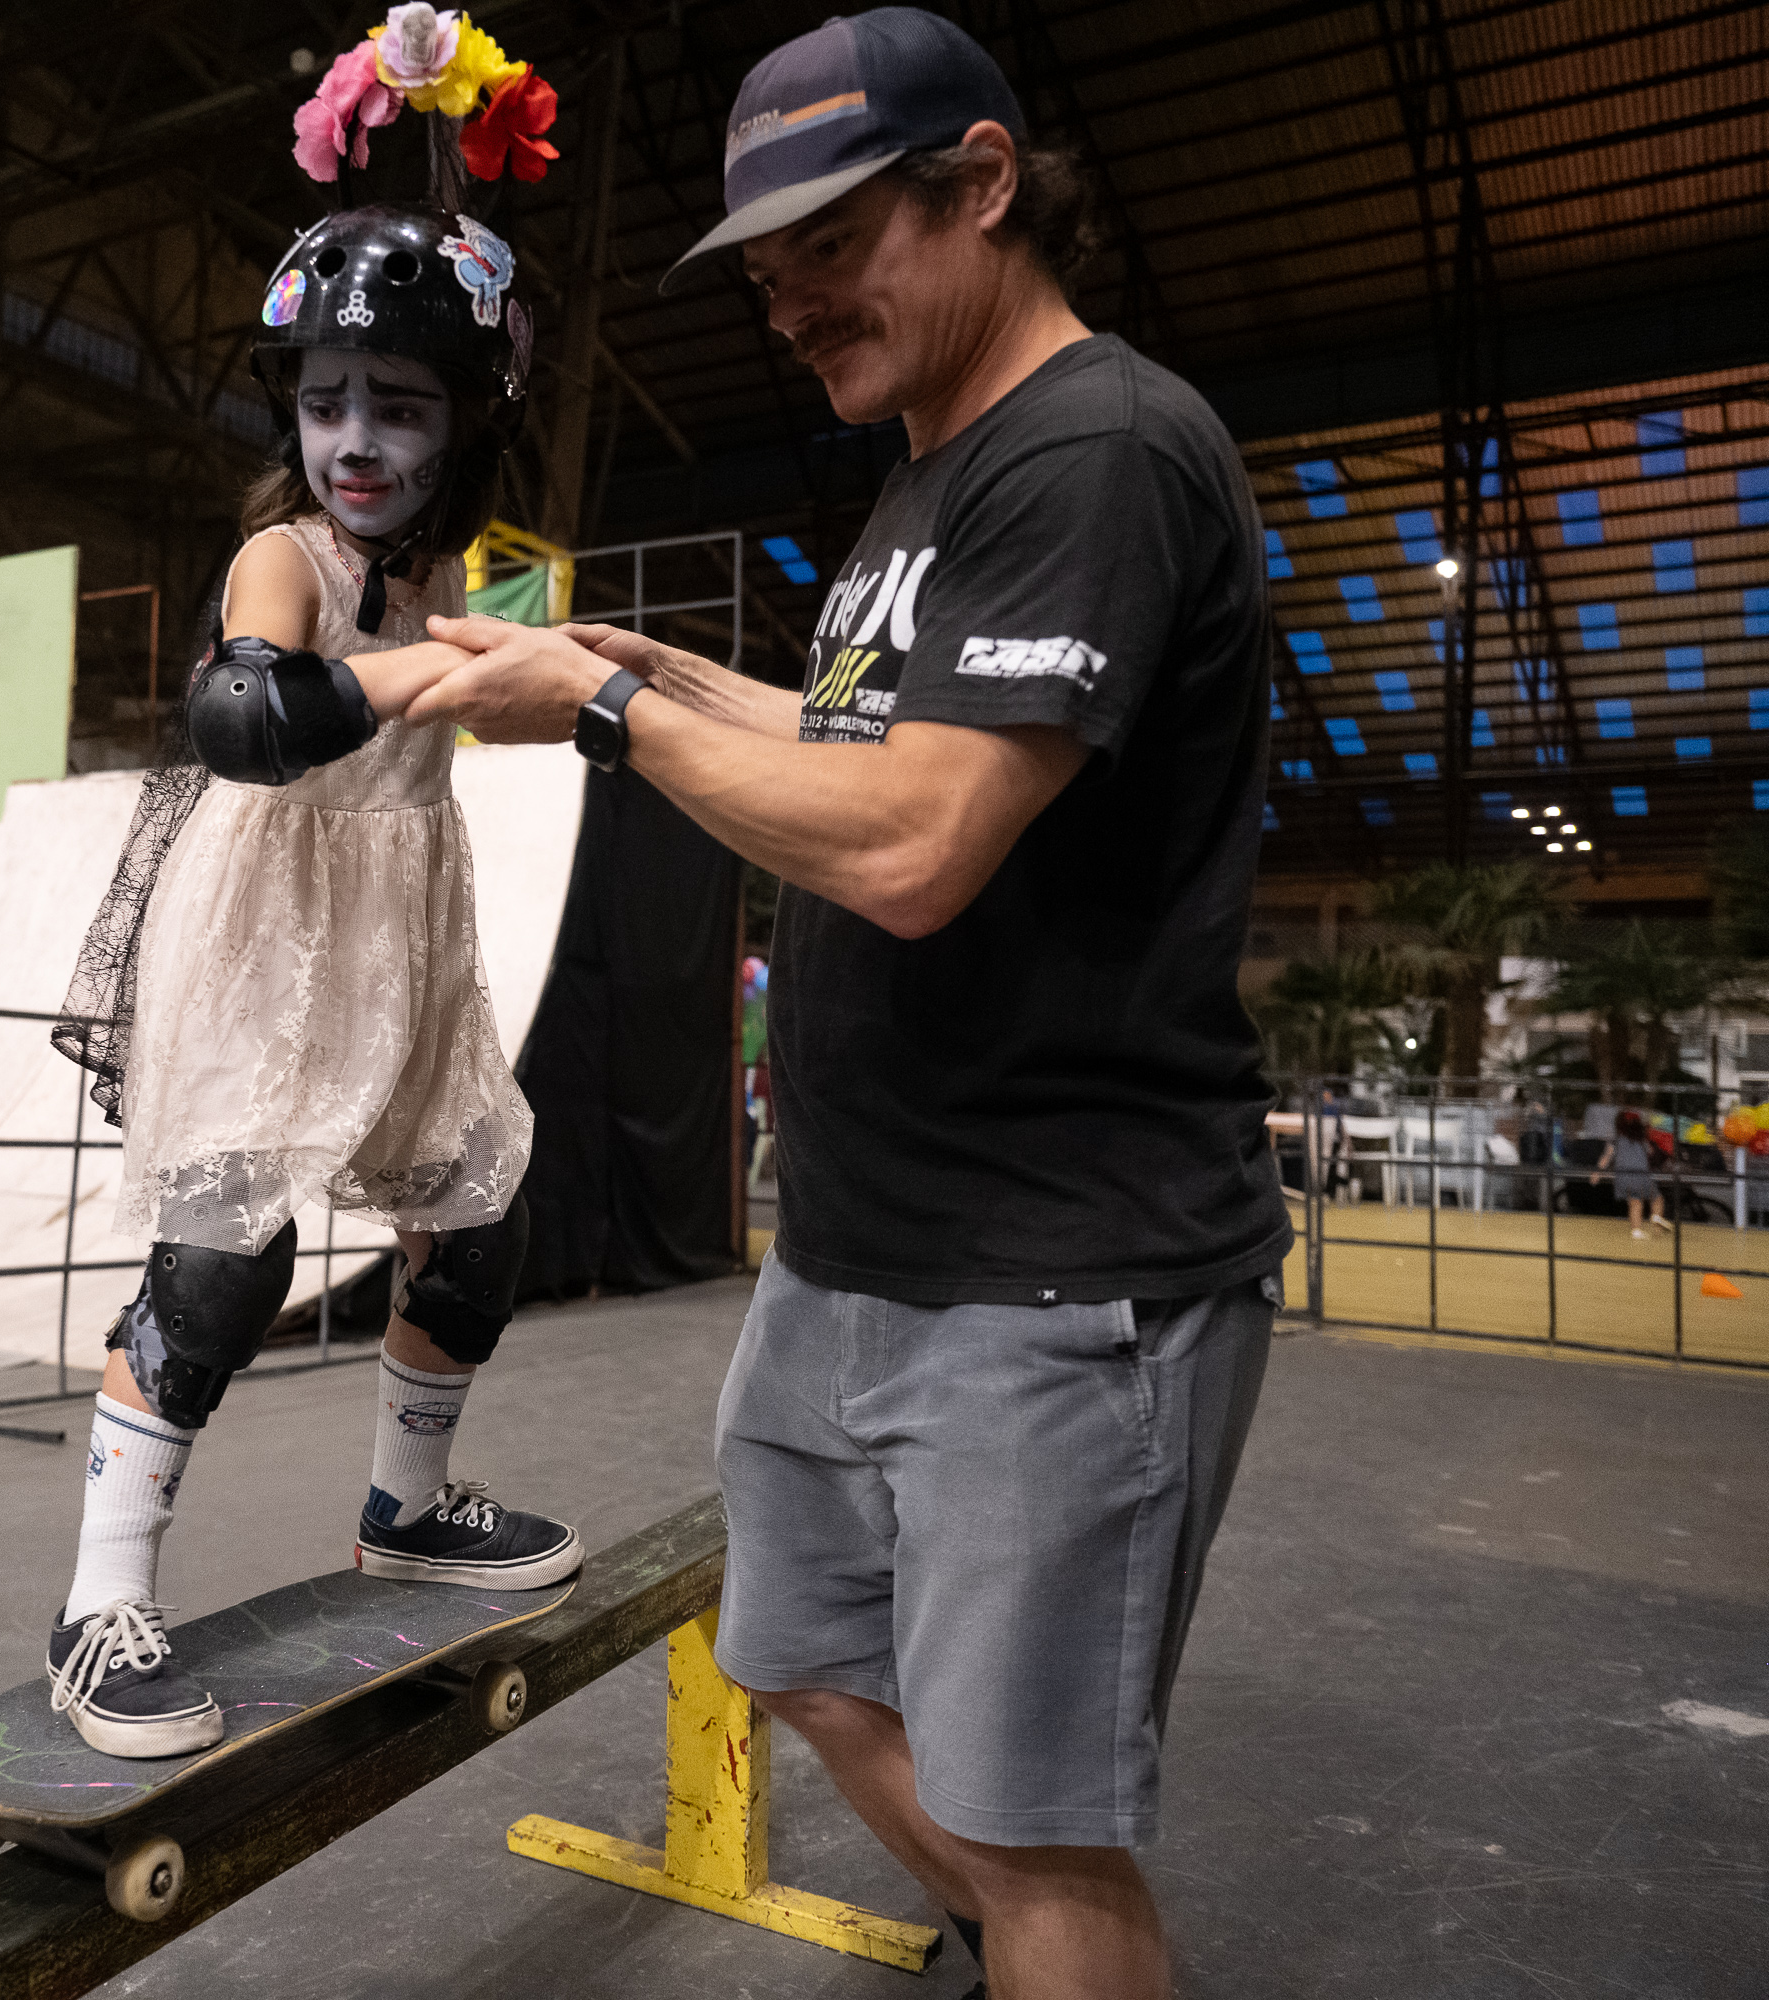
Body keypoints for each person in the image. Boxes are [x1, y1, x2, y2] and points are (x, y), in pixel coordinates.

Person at [406, 11, 1292, 1996]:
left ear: (980, 185)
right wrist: (636, 663)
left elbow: (908, 841)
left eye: (834, 235)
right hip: (868, 1250)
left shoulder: (1095, 450)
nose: (792, 295)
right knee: (796, 1652)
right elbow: (857, 728)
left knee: (1042, 1830)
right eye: (764, 261)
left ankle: (1046, 1942)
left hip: (1061, 1267)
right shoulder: (930, 478)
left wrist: (611, 710)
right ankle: (1007, 1940)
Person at [38, 18, 584, 1760]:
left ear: (468, 422)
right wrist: (435, 678)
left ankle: (404, 1515)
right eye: (330, 400)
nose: (357, 438)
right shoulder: (289, 555)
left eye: (402, 407)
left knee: (480, 1223)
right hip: (264, 926)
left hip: (403, 936)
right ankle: (97, 1604)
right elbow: (249, 714)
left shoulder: (444, 578)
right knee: (224, 1260)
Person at [1593, 1108, 1669, 1237]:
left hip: (1624, 1176)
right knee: (1657, 1199)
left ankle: (1636, 1230)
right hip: (1641, 1175)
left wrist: (1597, 1172)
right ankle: (1656, 1220)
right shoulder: (1641, 1138)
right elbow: (1650, 1152)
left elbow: (1606, 1157)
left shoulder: (1616, 1139)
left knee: (1635, 1202)